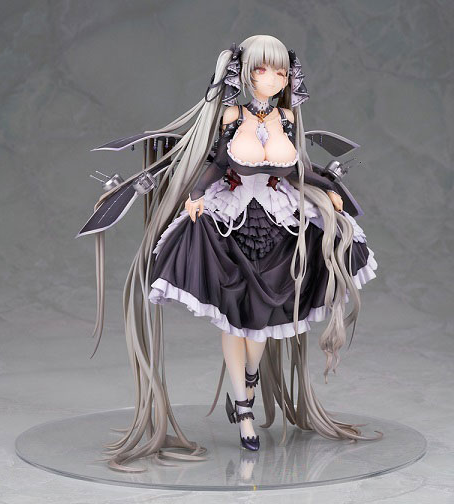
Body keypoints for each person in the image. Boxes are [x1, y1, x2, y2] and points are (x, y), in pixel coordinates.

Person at [86, 35, 380, 472]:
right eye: (263, 69)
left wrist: (329, 189)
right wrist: (196, 194)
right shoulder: (231, 115)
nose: (273, 78)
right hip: (231, 220)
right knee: (233, 317)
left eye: (280, 72)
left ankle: (248, 383)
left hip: (278, 222)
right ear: (244, 73)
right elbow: (216, 162)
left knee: (262, 322)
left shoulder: (286, 118)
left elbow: (298, 167)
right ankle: (244, 410)